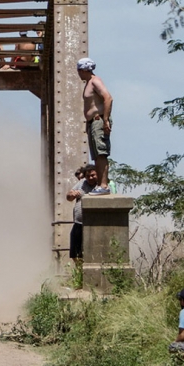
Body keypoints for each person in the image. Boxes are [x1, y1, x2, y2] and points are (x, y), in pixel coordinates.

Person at [77, 57, 113, 195]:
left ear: (84, 69)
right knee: (97, 155)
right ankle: (100, 185)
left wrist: (105, 120)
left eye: (79, 70)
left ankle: (103, 185)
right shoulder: (88, 83)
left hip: (98, 120)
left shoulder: (95, 81)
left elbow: (108, 97)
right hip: (93, 122)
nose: (78, 73)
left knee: (101, 153)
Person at [66, 164, 98, 268]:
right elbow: (69, 196)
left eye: (93, 175)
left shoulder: (102, 186)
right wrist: (71, 195)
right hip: (79, 223)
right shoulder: (81, 183)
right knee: (75, 252)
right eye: (88, 176)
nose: (90, 178)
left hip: (94, 225)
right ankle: (80, 272)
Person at [169, 289, 184, 353]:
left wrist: (175, 341)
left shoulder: (183, 312)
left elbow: (182, 335)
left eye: (180, 299)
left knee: (172, 347)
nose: (180, 302)